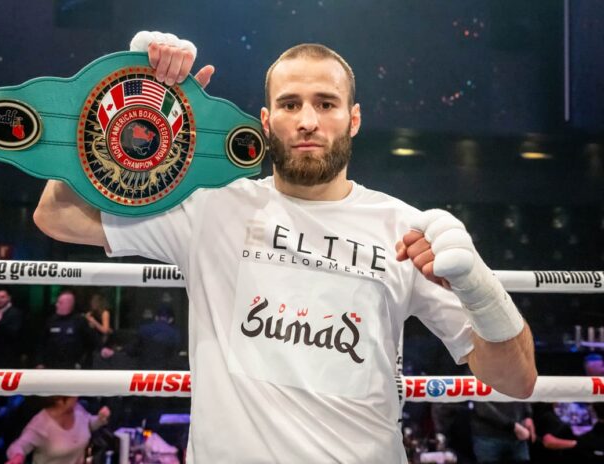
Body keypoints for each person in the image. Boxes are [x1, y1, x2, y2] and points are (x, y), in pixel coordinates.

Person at [33, 31, 536, 462]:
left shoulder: (404, 227)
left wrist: (479, 288)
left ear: (353, 119)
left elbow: (518, 380)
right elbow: (54, 215)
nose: (308, 120)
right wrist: (122, 101)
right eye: (290, 104)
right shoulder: (210, 207)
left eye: (326, 103)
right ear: (265, 119)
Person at [5, 396, 110, 464]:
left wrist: (100, 419)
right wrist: (17, 457)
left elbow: (87, 424)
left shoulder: (77, 409)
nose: (77, 396)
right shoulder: (41, 424)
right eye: (72, 394)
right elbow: (19, 445)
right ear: (59, 400)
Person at [36, 290, 96, 369]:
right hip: (52, 365)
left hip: (73, 366)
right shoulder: (51, 321)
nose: (56, 305)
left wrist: (82, 363)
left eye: (60, 303)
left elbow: (91, 343)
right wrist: (40, 362)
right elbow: (41, 343)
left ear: (69, 304)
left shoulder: (80, 321)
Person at [469, 402, 534, 464]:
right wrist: (512, 426)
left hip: (518, 437)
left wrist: (528, 415)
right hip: (488, 437)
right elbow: (482, 408)